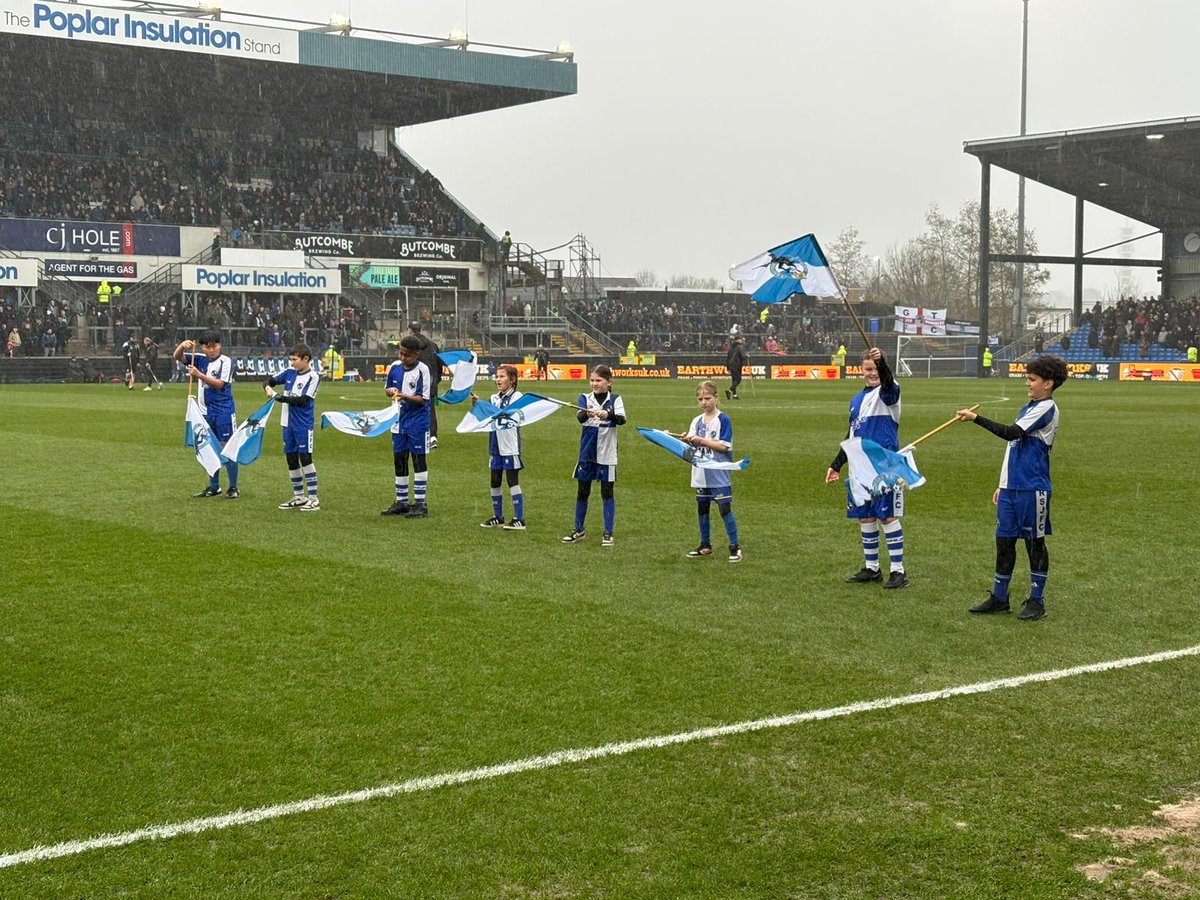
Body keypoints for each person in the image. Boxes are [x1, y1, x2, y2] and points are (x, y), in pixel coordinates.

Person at [956, 355, 1069, 621]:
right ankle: (999, 597)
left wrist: (976, 418)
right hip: (1012, 487)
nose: (1028, 384)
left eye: (1032, 379)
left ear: (1048, 383)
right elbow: (1013, 447)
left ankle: (1036, 600)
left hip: (1033, 487)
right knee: (1004, 541)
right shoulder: (1029, 407)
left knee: (1034, 543)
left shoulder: (1046, 408)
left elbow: (1011, 434)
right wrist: (1002, 483)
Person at [824, 347, 908, 589]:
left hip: (884, 466)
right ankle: (872, 568)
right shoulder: (856, 400)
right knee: (866, 516)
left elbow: (889, 382)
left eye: (876, 368)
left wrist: (882, 363)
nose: (873, 373)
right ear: (861, 371)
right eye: (868, 369)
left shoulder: (890, 393)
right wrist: (837, 464)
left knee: (888, 516)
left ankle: (898, 570)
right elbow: (851, 435)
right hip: (859, 468)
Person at [562, 365, 626, 546]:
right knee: (583, 491)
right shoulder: (585, 398)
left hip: (607, 453)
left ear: (608, 382)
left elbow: (622, 419)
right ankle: (578, 529)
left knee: (607, 492)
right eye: (592, 380)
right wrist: (586, 412)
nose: (594, 384)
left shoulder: (615, 399)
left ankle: (608, 532)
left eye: (598, 380)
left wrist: (608, 414)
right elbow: (580, 418)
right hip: (587, 452)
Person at [682, 381, 742, 563]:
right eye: (700, 399)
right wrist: (688, 440)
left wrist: (701, 440)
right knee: (702, 508)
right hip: (701, 472)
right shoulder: (696, 420)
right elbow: (692, 446)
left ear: (716, 397)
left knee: (724, 509)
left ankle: (735, 546)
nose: (703, 402)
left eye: (707, 398)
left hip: (719, 471)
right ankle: (705, 545)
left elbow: (724, 446)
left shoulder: (723, 419)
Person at [175, 331, 239, 499]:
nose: (212, 350)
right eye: (208, 347)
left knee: (227, 448)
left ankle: (233, 487)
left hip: (224, 411)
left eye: (215, 346)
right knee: (209, 447)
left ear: (220, 346)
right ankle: (214, 486)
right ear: (202, 348)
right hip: (205, 412)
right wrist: (182, 346)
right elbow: (177, 356)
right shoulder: (200, 359)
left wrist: (199, 375)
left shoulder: (226, 361)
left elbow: (219, 384)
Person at [380, 335, 432, 518]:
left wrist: (403, 396)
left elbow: (422, 399)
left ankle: (420, 504)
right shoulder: (394, 367)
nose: (403, 357)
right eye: (401, 353)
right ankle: (401, 501)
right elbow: (387, 390)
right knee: (399, 460)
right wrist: (391, 392)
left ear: (416, 354)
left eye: (407, 355)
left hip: (417, 422)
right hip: (397, 422)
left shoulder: (423, 370)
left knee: (418, 460)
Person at [266, 344, 321, 512]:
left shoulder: (313, 376)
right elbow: (268, 381)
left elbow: (303, 400)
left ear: (306, 359)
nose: (292, 363)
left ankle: (313, 498)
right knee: (291, 458)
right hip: (287, 423)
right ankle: (299, 496)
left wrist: (280, 398)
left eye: (295, 360)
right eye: (290, 359)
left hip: (303, 424)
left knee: (305, 458)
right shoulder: (289, 373)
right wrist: (268, 387)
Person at [474, 365, 527, 530]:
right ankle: (498, 517)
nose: (498, 379)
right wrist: (478, 404)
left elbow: (513, 415)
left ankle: (519, 518)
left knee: (512, 480)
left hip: (510, 445)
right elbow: (487, 417)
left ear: (512, 380)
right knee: (495, 480)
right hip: (495, 444)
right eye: (497, 376)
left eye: (502, 376)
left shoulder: (518, 396)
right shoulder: (494, 398)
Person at [406, 321, 441, 448]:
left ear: (410, 330)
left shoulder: (409, 345)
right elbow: (439, 365)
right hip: (431, 382)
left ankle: (414, 436)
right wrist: (436, 381)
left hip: (413, 383)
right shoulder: (433, 345)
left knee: (411, 409)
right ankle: (432, 437)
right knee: (430, 410)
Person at [725, 335, 747, 400]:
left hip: (731, 365)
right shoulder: (740, 347)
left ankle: (734, 395)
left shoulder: (731, 347)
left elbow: (728, 358)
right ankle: (729, 390)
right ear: (739, 340)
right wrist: (747, 356)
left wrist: (728, 367)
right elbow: (742, 356)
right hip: (737, 365)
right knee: (738, 379)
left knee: (734, 380)